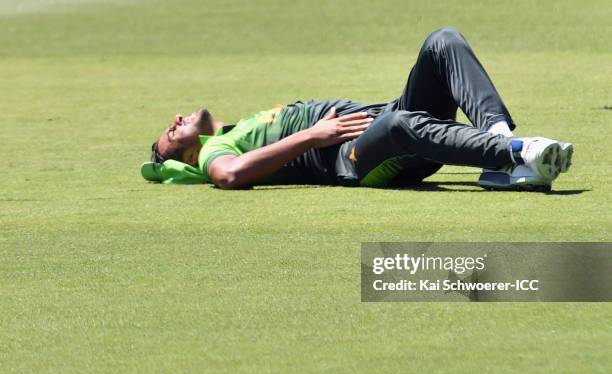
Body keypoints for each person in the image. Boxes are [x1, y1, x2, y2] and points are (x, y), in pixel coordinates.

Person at [141, 28, 573, 190]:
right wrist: (313, 135)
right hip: (353, 160)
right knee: (398, 124)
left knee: (443, 42)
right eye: (172, 133)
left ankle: (496, 153)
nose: (177, 121)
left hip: (383, 119)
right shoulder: (219, 151)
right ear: (190, 156)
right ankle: (520, 151)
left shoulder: (236, 128)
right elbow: (229, 175)